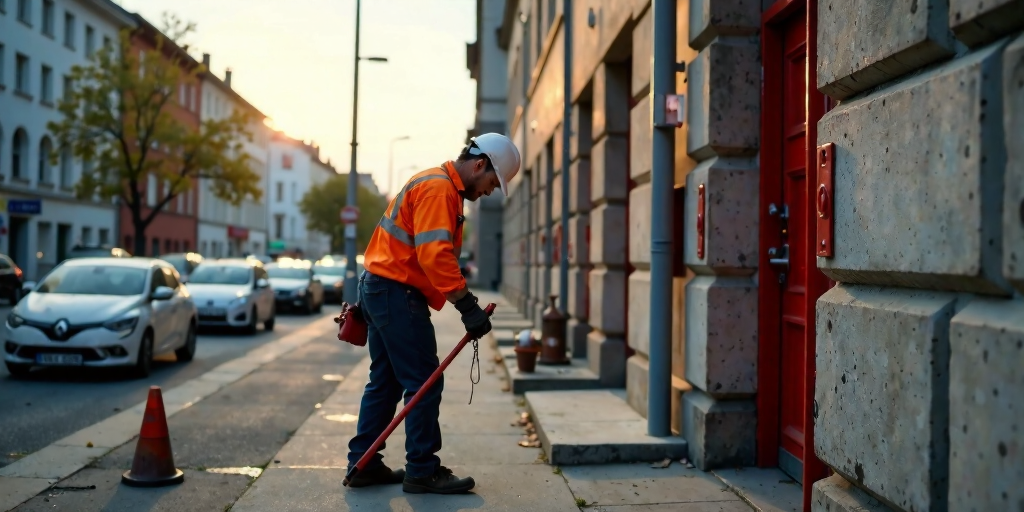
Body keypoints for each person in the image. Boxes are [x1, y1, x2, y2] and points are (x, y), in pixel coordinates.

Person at [345, 133, 521, 494]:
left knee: (387, 380)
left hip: (381, 287)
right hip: (395, 292)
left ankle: (363, 462)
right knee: (424, 380)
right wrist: (467, 306)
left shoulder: (433, 183)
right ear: (479, 164)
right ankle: (422, 469)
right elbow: (435, 255)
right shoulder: (440, 190)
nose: (489, 192)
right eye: (491, 182)